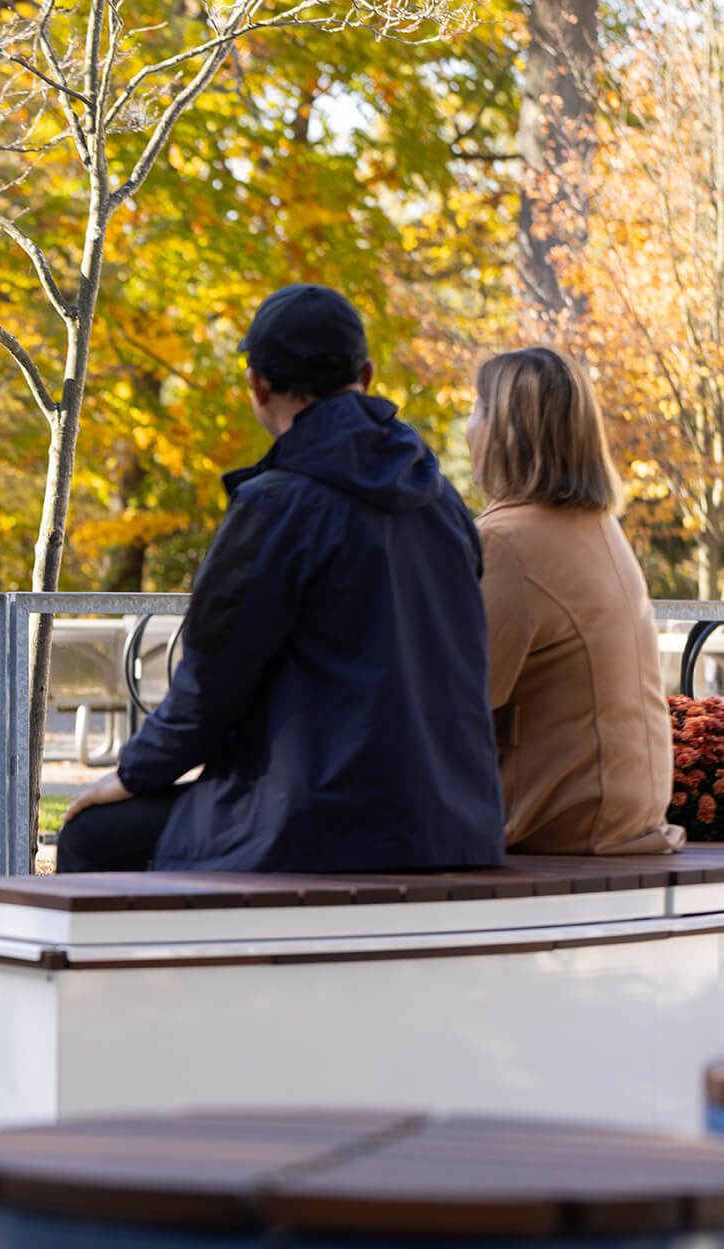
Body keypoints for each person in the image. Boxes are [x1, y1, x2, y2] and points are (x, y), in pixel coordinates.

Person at [57, 284, 504, 872]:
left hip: (319, 826)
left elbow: (210, 683)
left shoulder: (276, 507)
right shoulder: (443, 503)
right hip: (457, 825)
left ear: (257, 385)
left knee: (92, 836)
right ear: (366, 375)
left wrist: (133, 774)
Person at [467, 346, 680, 854]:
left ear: (506, 431)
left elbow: (453, 696)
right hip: (625, 812)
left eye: (476, 408)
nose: (466, 425)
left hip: (556, 821)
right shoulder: (600, 526)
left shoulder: (506, 541)